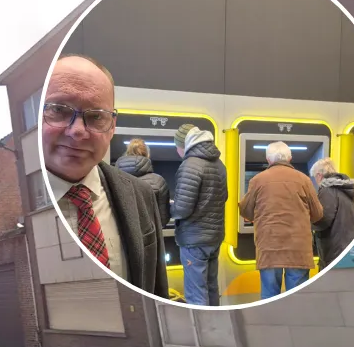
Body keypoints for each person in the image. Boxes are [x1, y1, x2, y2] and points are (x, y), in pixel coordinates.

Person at [41, 54, 169, 298]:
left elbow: (156, 290)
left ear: (112, 126)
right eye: (58, 110)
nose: (77, 131)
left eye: (96, 116)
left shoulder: (140, 194)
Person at [238, 142, 323, 299]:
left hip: (269, 248)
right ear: (290, 158)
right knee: (297, 299)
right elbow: (318, 214)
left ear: (268, 159)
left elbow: (246, 211)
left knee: (270, 296)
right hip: (298, 249)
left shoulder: (257, 180)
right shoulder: (304, 180)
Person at [170, 123, 229, 306]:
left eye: (177, 146)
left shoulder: (190, 165)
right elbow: (224, 197)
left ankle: (200, 324)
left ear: (184, 144)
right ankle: (214, 322)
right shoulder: (219, 164)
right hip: (214, 237)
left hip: (194, 239)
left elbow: (182, 209)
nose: (177, 151)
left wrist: (168, 208)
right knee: (211, 288)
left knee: (196, 294)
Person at [311, 157, 354, 269]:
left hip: (334, 247)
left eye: (314, 177)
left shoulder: (327, 190)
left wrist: (309, 221)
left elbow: (323, 219)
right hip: (346, 243)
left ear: (319, 175)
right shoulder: (344, 189)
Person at [114, 138, 171, 227]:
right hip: (149, 234)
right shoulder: (158, 181)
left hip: (120, 233)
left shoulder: (113, 179)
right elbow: (163, 219)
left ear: (127, 153)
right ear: (147, 155)